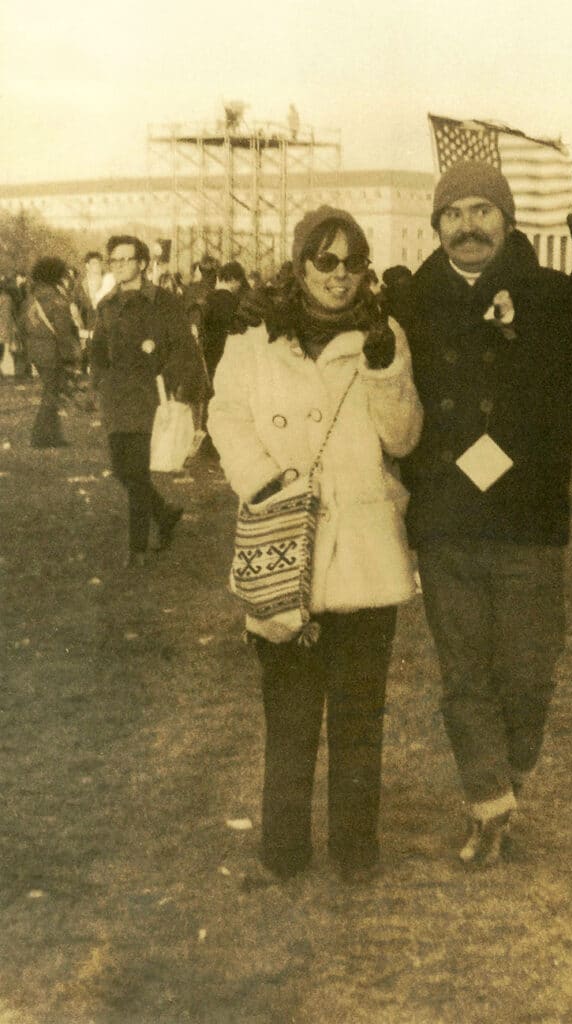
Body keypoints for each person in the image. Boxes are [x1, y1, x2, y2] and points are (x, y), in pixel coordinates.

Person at [397, 161, 572, 868]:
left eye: (482, 210)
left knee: (530, 674)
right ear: (436, 224)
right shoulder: (411, 299)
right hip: (445, 522)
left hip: (527, 522)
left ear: (507, 221)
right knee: (466, 674)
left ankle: (507, 778)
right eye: (454, 212)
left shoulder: (554, 295)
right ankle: (488, 802)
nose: (468, 225)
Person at [207, 206, 423, 884]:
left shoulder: (384, 337)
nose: (339, 276)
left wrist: (387, 373)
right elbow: (226, 416)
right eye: (324, 261)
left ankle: (356, 852)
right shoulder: (252, 340)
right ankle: (283, 852)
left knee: (360, 716)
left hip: (361, 553)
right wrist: (263, 483)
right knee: (291, 717)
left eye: (352, 262)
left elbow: (405, 438)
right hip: (284, 549)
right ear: (299, 265)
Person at [89, 235, 207, 568]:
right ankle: (165, 514)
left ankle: (137, 550)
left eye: (126, 259)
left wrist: (166, 382)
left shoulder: (163, 302)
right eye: (115, 260)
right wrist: (99, 380)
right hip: (116, 396)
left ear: (142, 263)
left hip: (148, 396)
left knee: (137, 471)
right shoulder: (106, 304)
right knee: (122, 470)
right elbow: (97, 349)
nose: (120, 266)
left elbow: (184, 347)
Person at [21, 257, 81, 448]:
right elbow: (64, 333)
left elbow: (22, 325)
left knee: (51, 392)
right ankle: (40, 437)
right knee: (51, 394)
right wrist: (71, 358)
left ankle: (52, 436)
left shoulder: (31, 298)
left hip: (36, 352)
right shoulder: (57, 300)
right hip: (52, 352)